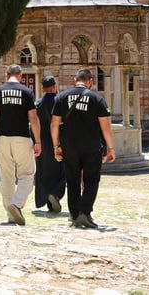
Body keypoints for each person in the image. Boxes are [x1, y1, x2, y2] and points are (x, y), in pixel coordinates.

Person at [51, 68, 115, 229]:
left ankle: (74, 215)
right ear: (90, 81)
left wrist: (56, 145)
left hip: (69, 146)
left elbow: (54, 124)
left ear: (75, 80)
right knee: (91, 180)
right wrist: (111, 148)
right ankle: (84, 213)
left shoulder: (61, 97)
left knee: (72, 180)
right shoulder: (97, 99)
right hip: (91, 146)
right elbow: (106, 127)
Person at [0, 64, 41, 226]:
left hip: (2, 138)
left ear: (6, 75)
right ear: (21, 75)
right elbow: (33, 118)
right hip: (22, 138)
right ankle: (16, 204)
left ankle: (10, 215)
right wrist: (38, 141)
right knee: (27, 173)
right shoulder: (27, 92)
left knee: (6, 177)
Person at [34, 75, 66, 213]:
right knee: (62, 171)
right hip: (58, 141)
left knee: (44, 171)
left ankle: (49, 201)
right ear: (54, 87)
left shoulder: (37, 104)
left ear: (43, 88)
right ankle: (55, 194)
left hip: (42, 142)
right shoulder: (60, 102)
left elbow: (33, 124)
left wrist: (35, 142)